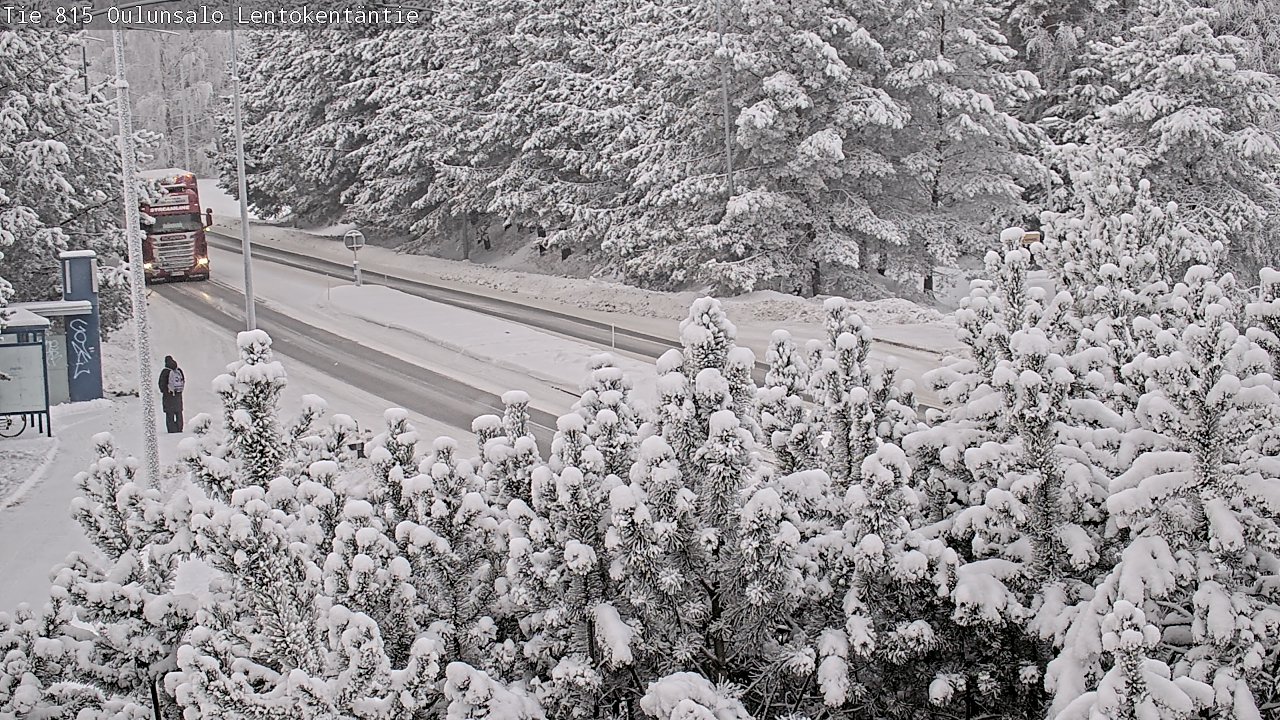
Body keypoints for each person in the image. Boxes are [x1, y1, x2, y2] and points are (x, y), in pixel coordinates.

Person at [159, 355, 185, 433]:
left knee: (169, 414)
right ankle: (179, 428)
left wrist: (165, 391)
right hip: (178, 395)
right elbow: (183, 380)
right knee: (179, 413)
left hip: (168, 396)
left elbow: (161, 384)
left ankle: (172, 430)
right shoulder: (178, 371)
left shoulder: (165, 372)